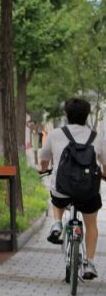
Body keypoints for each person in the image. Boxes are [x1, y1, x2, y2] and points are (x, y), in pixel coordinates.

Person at [38, 97, 106, 280]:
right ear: (87, 115)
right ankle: (89, 263)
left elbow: (44, 159)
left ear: (66, 115)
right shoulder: (96, 137)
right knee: (91, 224)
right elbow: (105, 165)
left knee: (57, 195)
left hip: (62, 189)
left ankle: (57, 223)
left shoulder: (55, 134)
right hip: (88, 192)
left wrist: (42, 169)